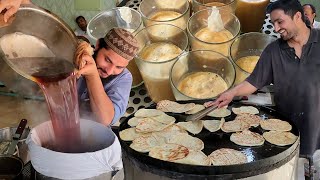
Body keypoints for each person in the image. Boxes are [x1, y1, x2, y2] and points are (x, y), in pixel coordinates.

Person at [209, 0, 320, 158]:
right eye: (273, 23)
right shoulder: (273, 51)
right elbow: (254, 82)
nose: (276, 28)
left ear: (297, 16)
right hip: (284, 131)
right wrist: (231, 93)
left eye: (280, 21)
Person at [76, 28, 138, 126]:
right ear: (98, 45)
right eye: (108, 60)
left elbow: (106, 119)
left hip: (92, 133)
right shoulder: (79, 56)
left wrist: (92, 75)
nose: (109, 71)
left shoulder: (124, 77)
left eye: (119, 67)